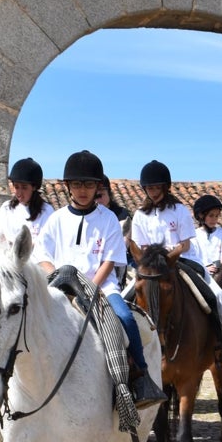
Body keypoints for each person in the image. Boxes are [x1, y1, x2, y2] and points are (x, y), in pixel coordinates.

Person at [34, 150, 165, 407]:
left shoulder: (109, 220)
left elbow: (110, 259)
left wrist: (89, 287)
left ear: (98, 187)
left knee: (126, 318)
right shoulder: (56, 219)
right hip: (60, 286)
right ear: (68, 186)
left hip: (102, 286)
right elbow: (41, 254)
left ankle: (140, 376)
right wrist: (56, 277)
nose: (83, 190)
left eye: (89, 184)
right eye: (78, 184)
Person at [131, 160, 222, 367]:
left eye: (156, 187)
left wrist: (168, 257)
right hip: (153, 267)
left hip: (182, 260)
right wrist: (155, 260)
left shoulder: (179, 210)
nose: (153, 192)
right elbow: (142, 247)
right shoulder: (139, 215)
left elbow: (185, 244)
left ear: (165, 187)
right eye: (149, 188)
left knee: (216, 296)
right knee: (129, 296)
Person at [0, 157, 54, 252]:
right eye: (16, 187)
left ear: (34, 187)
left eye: (24, 188)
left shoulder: (47, 211)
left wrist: (22, 248)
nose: (19, 193)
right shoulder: (6, 208)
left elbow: (47, 243)